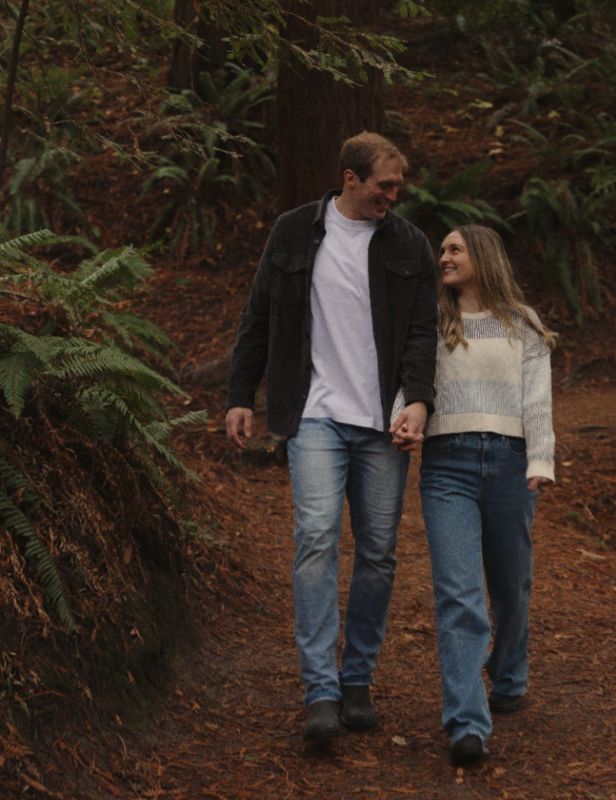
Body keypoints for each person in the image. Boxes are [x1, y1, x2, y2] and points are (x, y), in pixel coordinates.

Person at [225, 131, 437, 742]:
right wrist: (240, 394)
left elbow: (422, 331)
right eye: (383, 186)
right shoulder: (293, 231)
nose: (392, 196)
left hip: (381, 423)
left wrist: (418, 400)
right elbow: (259, 315)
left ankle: (357, 678)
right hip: (314, 414)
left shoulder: (409, 244)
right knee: (316, 537)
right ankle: (320, 688)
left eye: (398, 187)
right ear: (350, 177)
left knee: (378, 553)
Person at [419, 224, 556, 766]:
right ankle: (467, 723)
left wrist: (541, 459)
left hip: (509, 463)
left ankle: (509, 673)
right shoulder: (431, 320)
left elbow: (537, 399)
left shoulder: (523, 323)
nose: (444, 257)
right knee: (459, 593)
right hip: (446, 464)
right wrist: (401, 421)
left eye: (454, 249)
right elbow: (411, 383)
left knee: (511, 585)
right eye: (443, 250)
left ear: (483, 256)